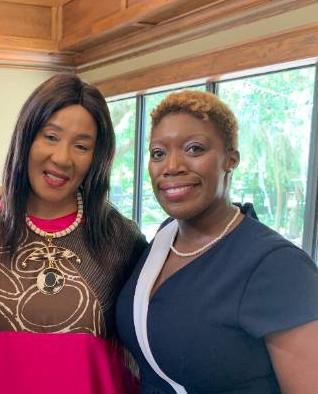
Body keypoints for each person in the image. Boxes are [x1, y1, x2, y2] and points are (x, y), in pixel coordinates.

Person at [0, 74, 147, 394]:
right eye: (51, 137)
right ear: (26, 139)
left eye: (81, 146)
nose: (62, 158)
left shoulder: (122, 241)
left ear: (97, 157)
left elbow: (142, 355)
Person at [116, 90, 318, 393]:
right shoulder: (165, 237)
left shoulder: (278, 266)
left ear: (231, 159)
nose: (171, 166)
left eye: (194, 149)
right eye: (158, 153)